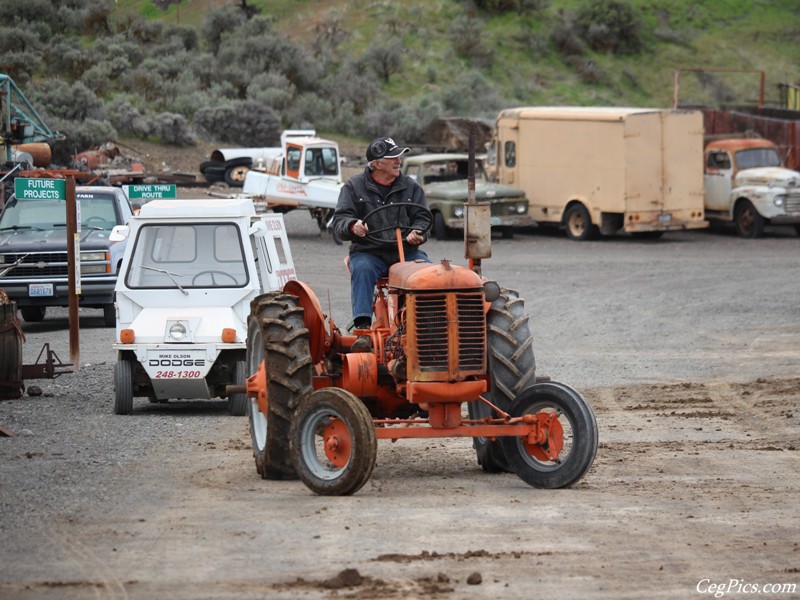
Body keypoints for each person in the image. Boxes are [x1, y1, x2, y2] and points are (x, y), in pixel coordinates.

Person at [332, 136, 431, 350]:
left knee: (429, 274)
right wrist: (352, 226)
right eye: (392, 157)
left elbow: (423, 218)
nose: (399, 161)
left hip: (406, 252)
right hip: (370, 252)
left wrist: (418, 232)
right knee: (363, 269)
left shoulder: (411, 187)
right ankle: (363, 330)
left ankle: (427, 325)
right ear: (376, 164)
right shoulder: (353, 187)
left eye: (399, 156)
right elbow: (339, 221)